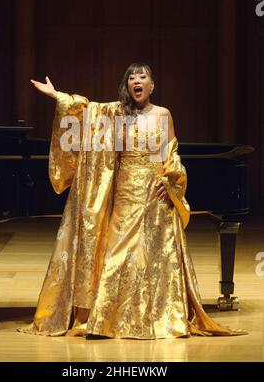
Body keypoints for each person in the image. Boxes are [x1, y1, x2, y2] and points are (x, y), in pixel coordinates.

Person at [18, 62, 246, 339]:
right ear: (127, 86)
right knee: (117, 255)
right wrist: (58, 96)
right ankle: (105, 320)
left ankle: (159, 317)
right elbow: (87, 112)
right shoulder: (116, 113)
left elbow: (170, 153)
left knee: (155, 259)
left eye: (143, 76)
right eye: (132, 78)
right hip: (126, 194)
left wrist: (171, 183)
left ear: (152, 85)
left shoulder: (163, 114)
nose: (137, 81)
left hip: (156, 194)